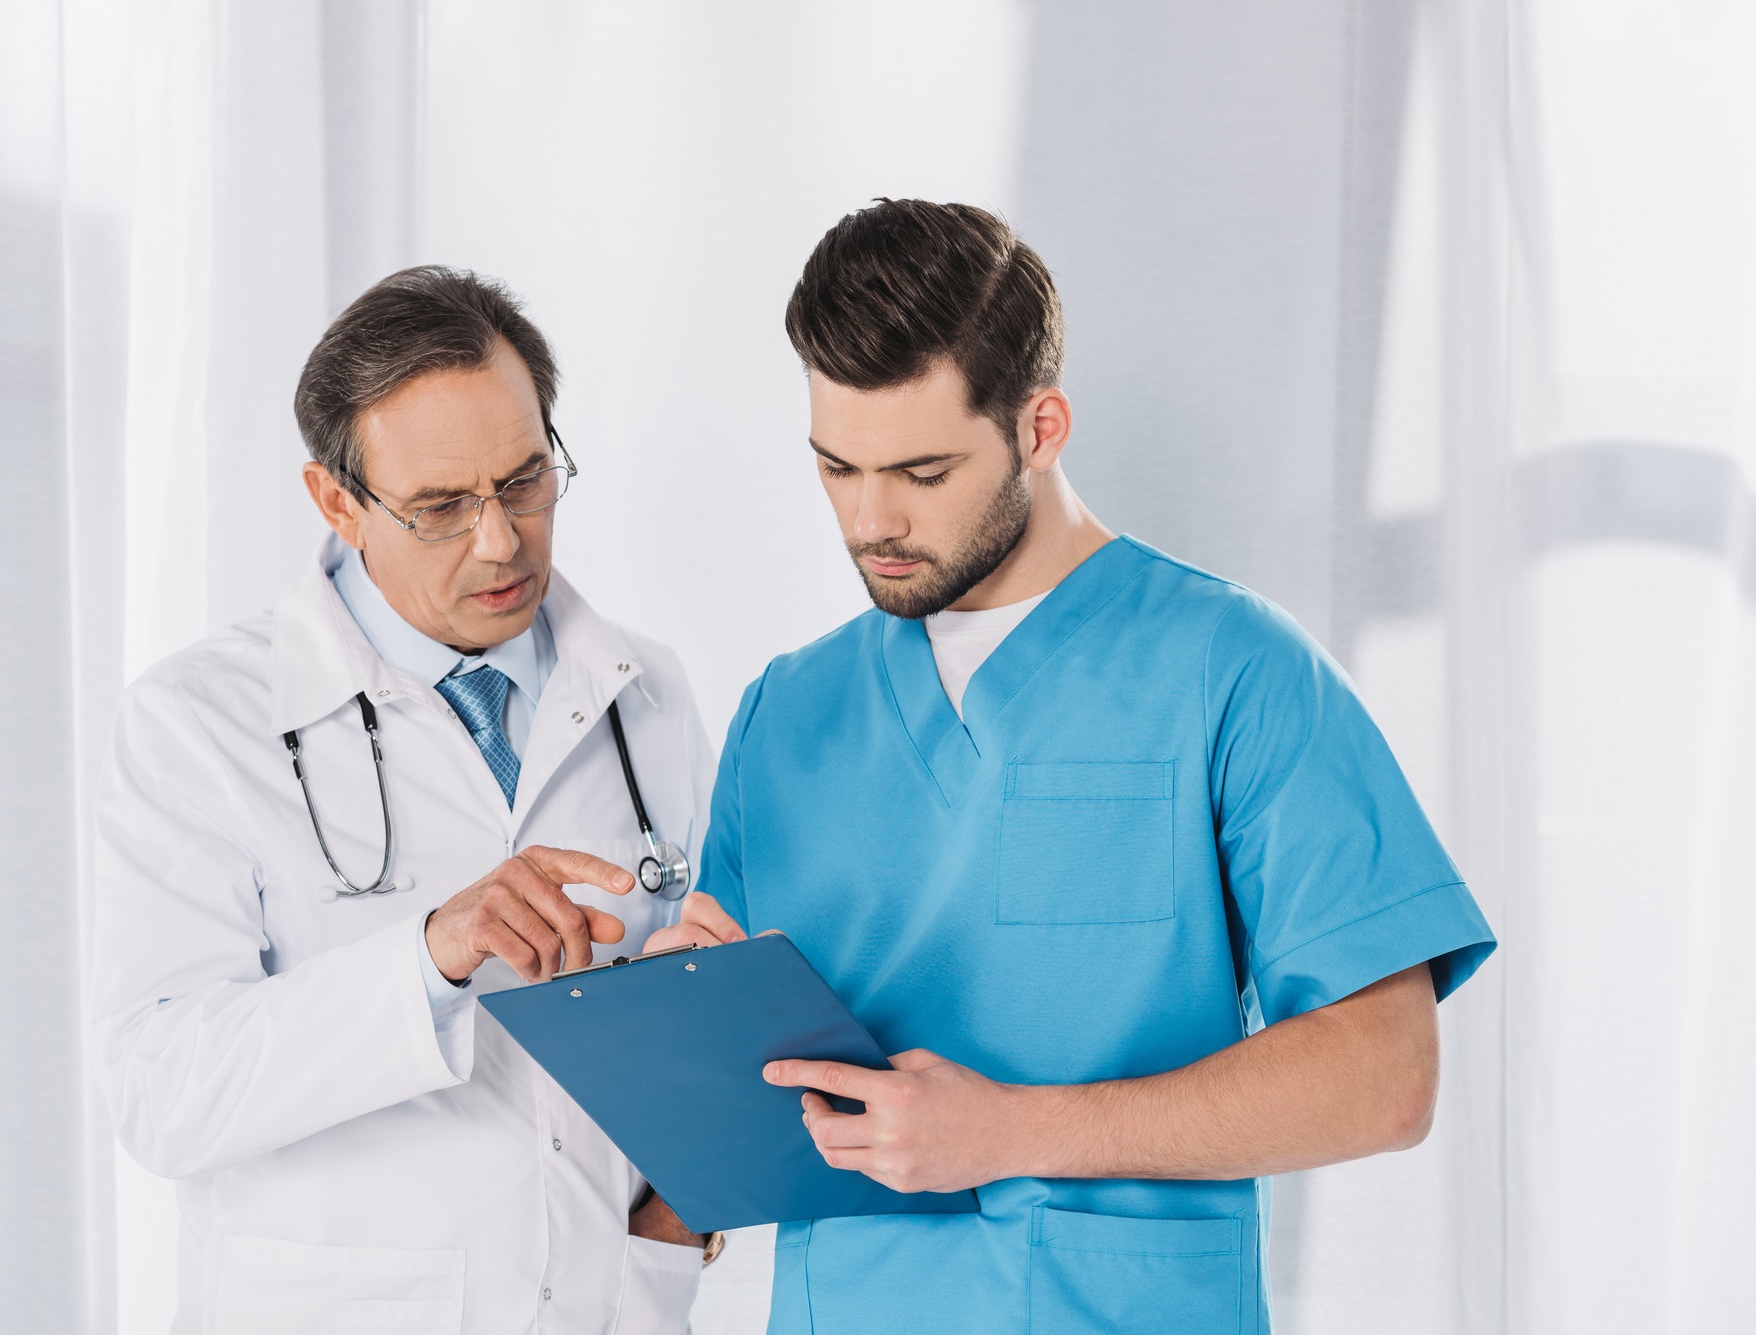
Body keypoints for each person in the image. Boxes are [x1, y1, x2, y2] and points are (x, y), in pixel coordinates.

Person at [650, 200, 1497, 1334]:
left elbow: (1384, 1077)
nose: (870, 519)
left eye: (921, 470)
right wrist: (690, 1027)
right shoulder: (788, 713)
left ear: (1039, 427)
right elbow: (732, 1143)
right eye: (835, 469)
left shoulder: (1231, 670)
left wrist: (1013, 1132)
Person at [89, 266, 740, 1335]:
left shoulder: (645, 694)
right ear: (336, 501)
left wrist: (681, 1212)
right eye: (441, 508)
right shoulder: (196, 722)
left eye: (525, 482)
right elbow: (162, 1096)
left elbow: (690, 1021)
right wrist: (427, 956)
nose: (499, 542)